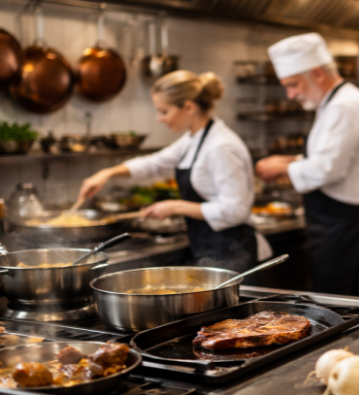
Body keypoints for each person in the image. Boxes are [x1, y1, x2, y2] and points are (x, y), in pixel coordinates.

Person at [79, 71, 272, 272]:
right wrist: (107, 174)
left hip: (234, 251)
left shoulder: (221, 147)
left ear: (188, 107)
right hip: (210, 248)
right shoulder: (194, 139)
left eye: (164, 111)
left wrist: (176, 206)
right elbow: (155, 163)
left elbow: (236, 211)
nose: (160, 119)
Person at [256, 33, 359, 297]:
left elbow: (327, 169)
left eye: (293, 84)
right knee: (345, 302)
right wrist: (290, 160)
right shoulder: (333, 103)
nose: (291, 94)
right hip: (342, 224)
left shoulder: (344, 106)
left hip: (350, 227)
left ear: (317, 73)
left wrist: (283, 168)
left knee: (343, 305)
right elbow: (334, 157)